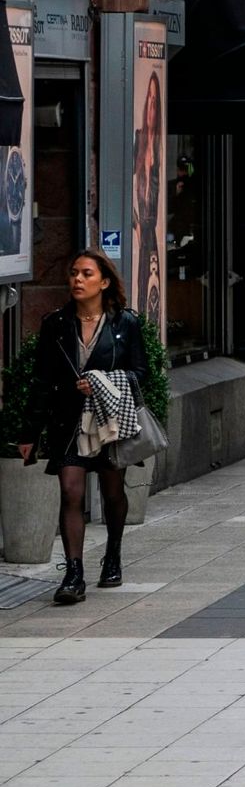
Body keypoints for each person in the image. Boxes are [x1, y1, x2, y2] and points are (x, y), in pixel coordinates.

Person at [15, 250, 148, 604]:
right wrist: (30, 432)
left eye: (86, 274)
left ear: (103, 282)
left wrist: (104, 380)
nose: (77, 279)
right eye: (73, 273)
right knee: (70, 492)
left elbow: (141, 373)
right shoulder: (56, 324)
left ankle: (113, 554)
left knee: (113, 492)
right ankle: (74, 573)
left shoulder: (126, 324)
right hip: (69, 420)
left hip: (109, 421)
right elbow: (41, 380)